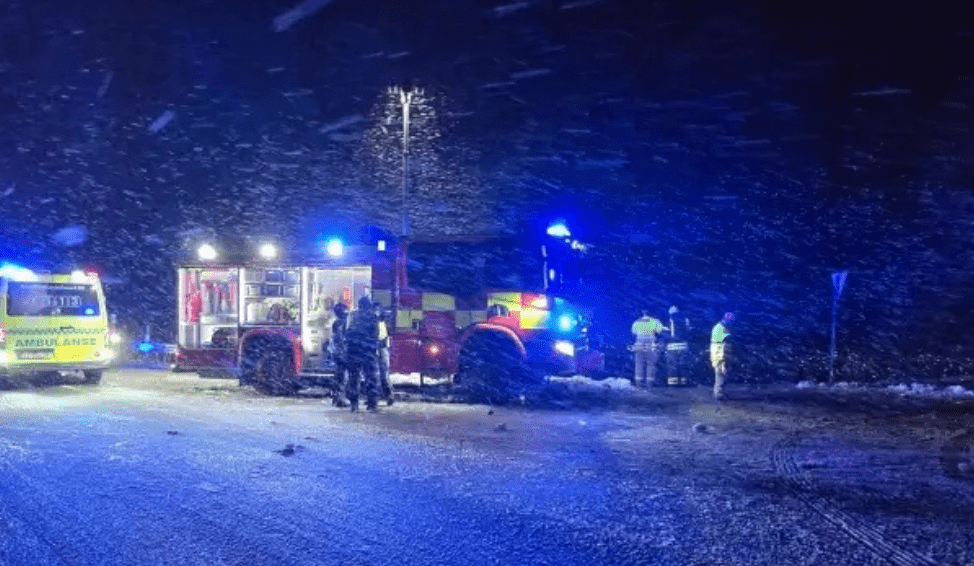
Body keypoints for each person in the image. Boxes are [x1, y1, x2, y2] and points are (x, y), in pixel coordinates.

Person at [346, 296, 380, 412]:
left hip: (354, 351)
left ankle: (354, 404)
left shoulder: (353, 316)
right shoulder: (373, 317)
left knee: (354, 378)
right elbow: (376, 334)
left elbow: (347, 332)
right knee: (371, 378)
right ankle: (372, 404)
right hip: (368, 352)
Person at [631, 310, 666, 387]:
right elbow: (659, 331)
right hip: (650, 344)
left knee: (639, 364)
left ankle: (639, 385)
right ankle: (649, 386)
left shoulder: (637, 322)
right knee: (651, 364)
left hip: (639, 345)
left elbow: (634, 332)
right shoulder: (655, 321)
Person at [328, 302, 350, 407]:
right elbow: (342, 339)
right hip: (343, 353)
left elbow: (335, 339)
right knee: (343, 376)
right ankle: (340, 398)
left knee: (339, 375)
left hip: (338, 353)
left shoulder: (337, 323)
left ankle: (336, 397)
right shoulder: (344, 322)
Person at [710, 312, 735, 400]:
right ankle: (718, 393)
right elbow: (725, 339)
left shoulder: (718, 326)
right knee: (720, 371)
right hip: (718, 351)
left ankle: (720, 392)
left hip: (717, 350)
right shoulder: (720, 328)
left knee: (721, 371)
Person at [665, 305, 691, 386]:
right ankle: (684, 382)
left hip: (672, 346)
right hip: (683, 345)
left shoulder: (669, 320)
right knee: (683, 364)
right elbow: (688, 331)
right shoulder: (685, 319)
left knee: (672, 365)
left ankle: (673, 384)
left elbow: (666, 333)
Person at [374, 302, 394, 406]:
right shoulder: (379, 321)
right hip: (379, 349)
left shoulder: (382, 322)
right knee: (376, 376)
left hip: (381, 349)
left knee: (383, 375)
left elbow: (383, 337)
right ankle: (375, 398)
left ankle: (389, 396)